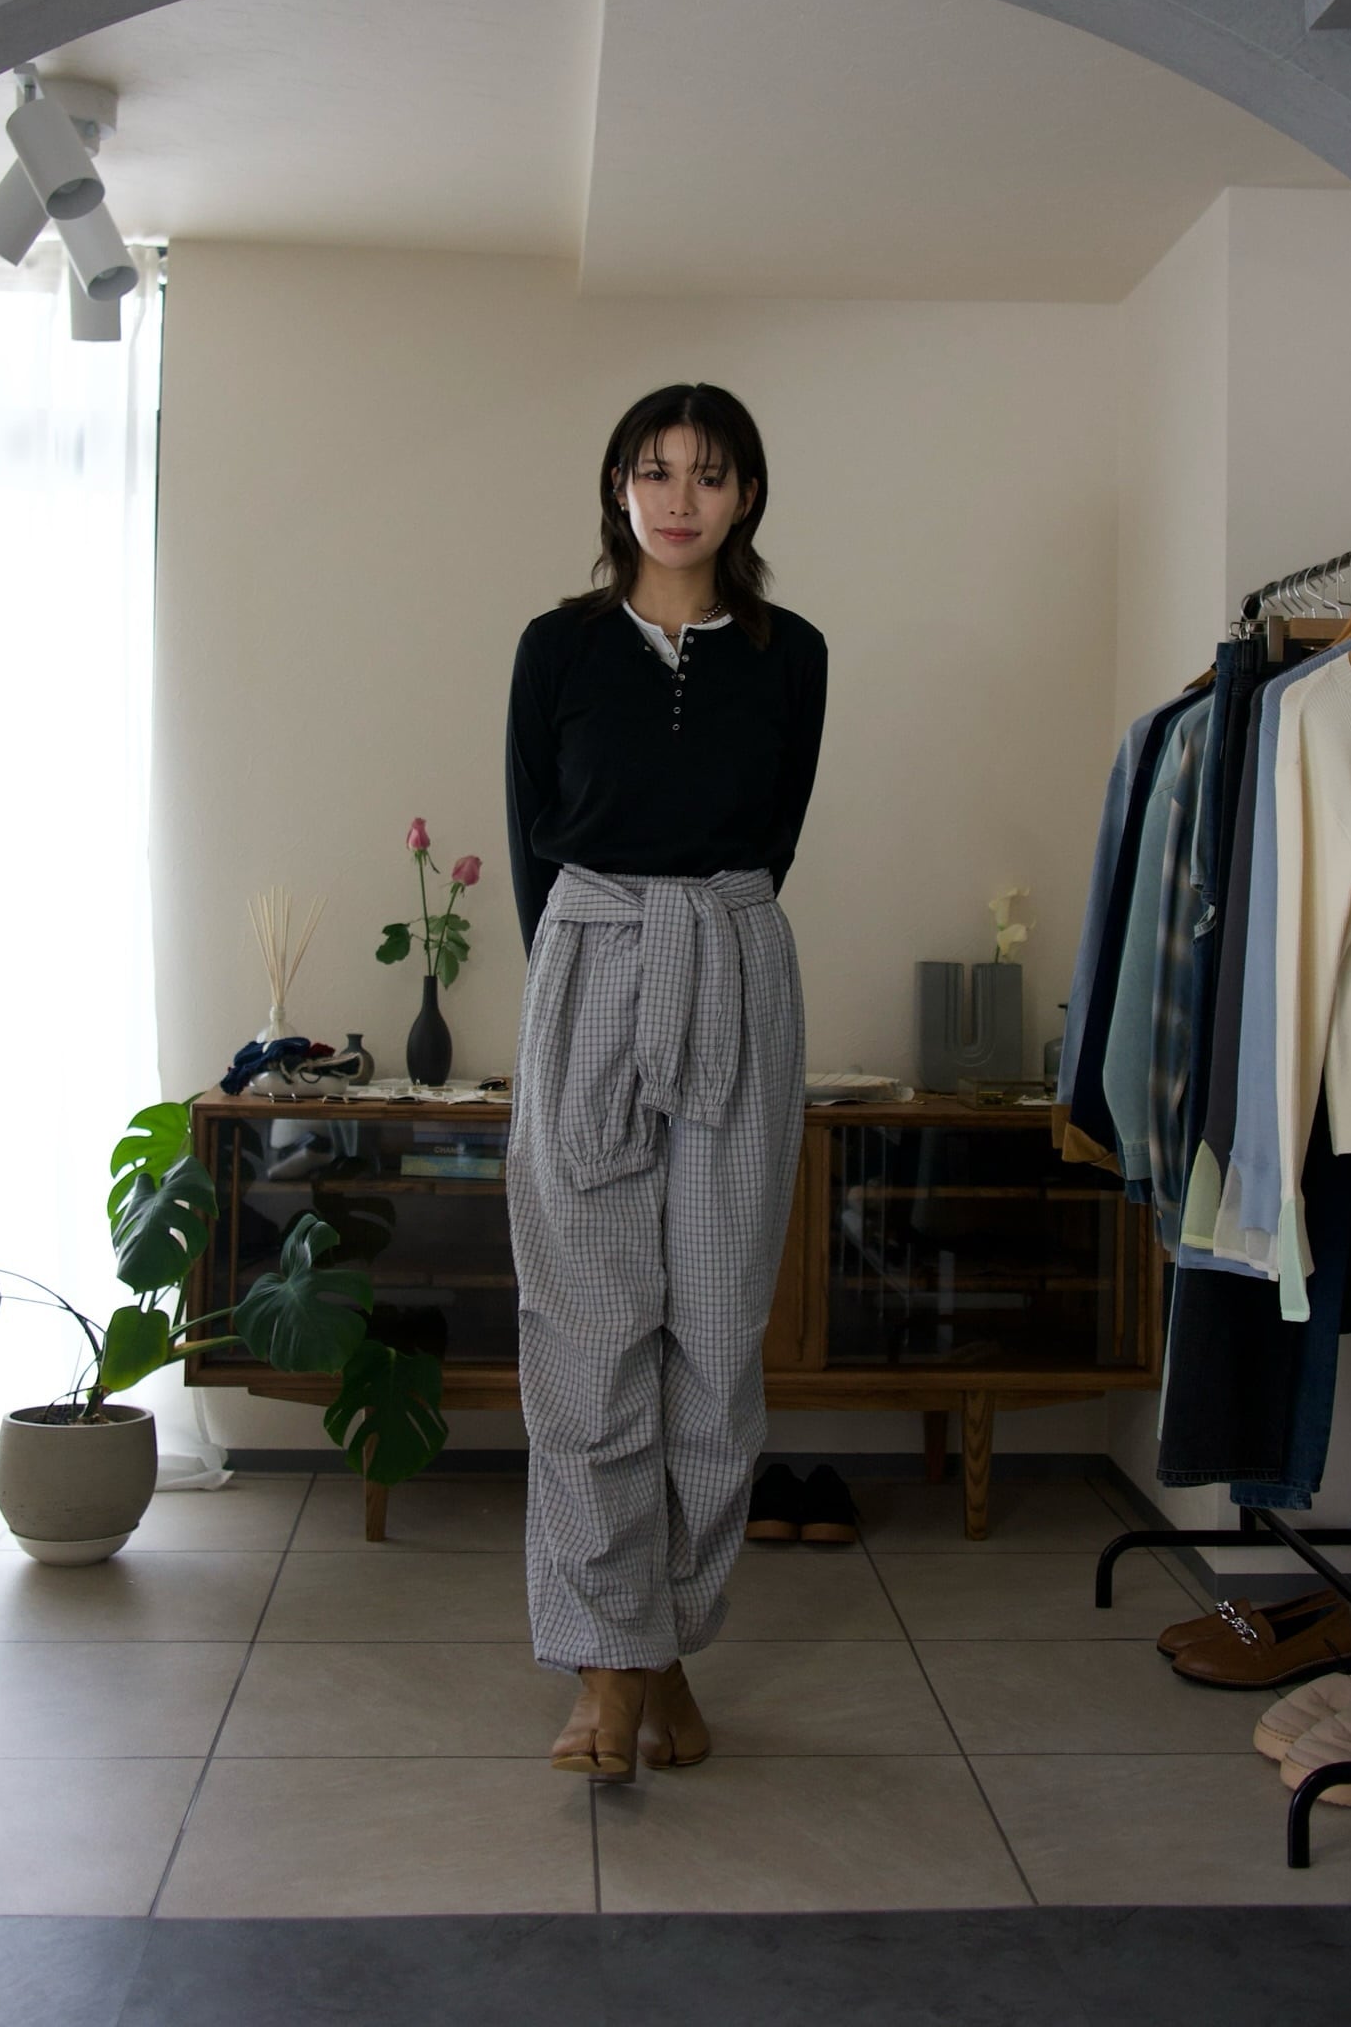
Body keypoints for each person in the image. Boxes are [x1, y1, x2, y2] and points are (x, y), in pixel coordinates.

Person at [503, 381, 828, 1785]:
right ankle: (610, 1676)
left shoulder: (792, 654)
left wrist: (703, 942)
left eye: (707, 472)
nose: (678, 498)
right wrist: (590, 983)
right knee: (587, 1335)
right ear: (617, 488)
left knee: (715, 1339)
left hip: (736, 966)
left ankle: (659, 1650)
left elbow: (777, 831)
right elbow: (534, 837)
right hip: (590, 968)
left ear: (746, 494)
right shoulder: (559, 646)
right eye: (653, 470)